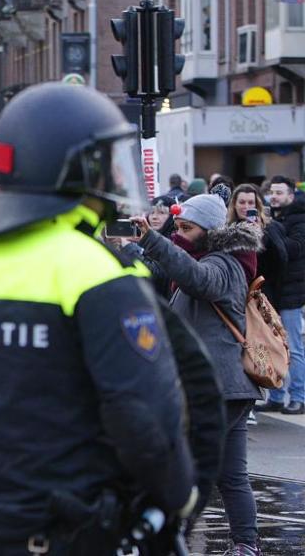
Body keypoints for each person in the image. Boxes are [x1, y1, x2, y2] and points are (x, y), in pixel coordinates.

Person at [0, 83, 198, 555]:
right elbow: (140, 415)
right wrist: (179, 493)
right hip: (72, 523)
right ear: (75, 170)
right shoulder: (97, 273)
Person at [135, 193, 262, 554]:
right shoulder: (213, 257)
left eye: (187, 228)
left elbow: (198, 279)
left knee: (187, 468)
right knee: (231, 475)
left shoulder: (226, 262)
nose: (180, 234)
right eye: (177, 227)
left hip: (219, 386)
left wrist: (152, 239)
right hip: (226, 385)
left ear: (209, 229)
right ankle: (245, 545)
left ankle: (173, 540)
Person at [258, 176, 305, 415]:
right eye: (271, 192)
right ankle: (276, 395)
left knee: (293, 347)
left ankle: (298, 396)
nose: (273, 196)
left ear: (291, 194)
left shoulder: (298, 218)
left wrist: (272, 232)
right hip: (271, 291)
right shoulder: (272, 218)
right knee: (273, 345)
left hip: (291, 292)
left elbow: (295, 249)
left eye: (279, 192)